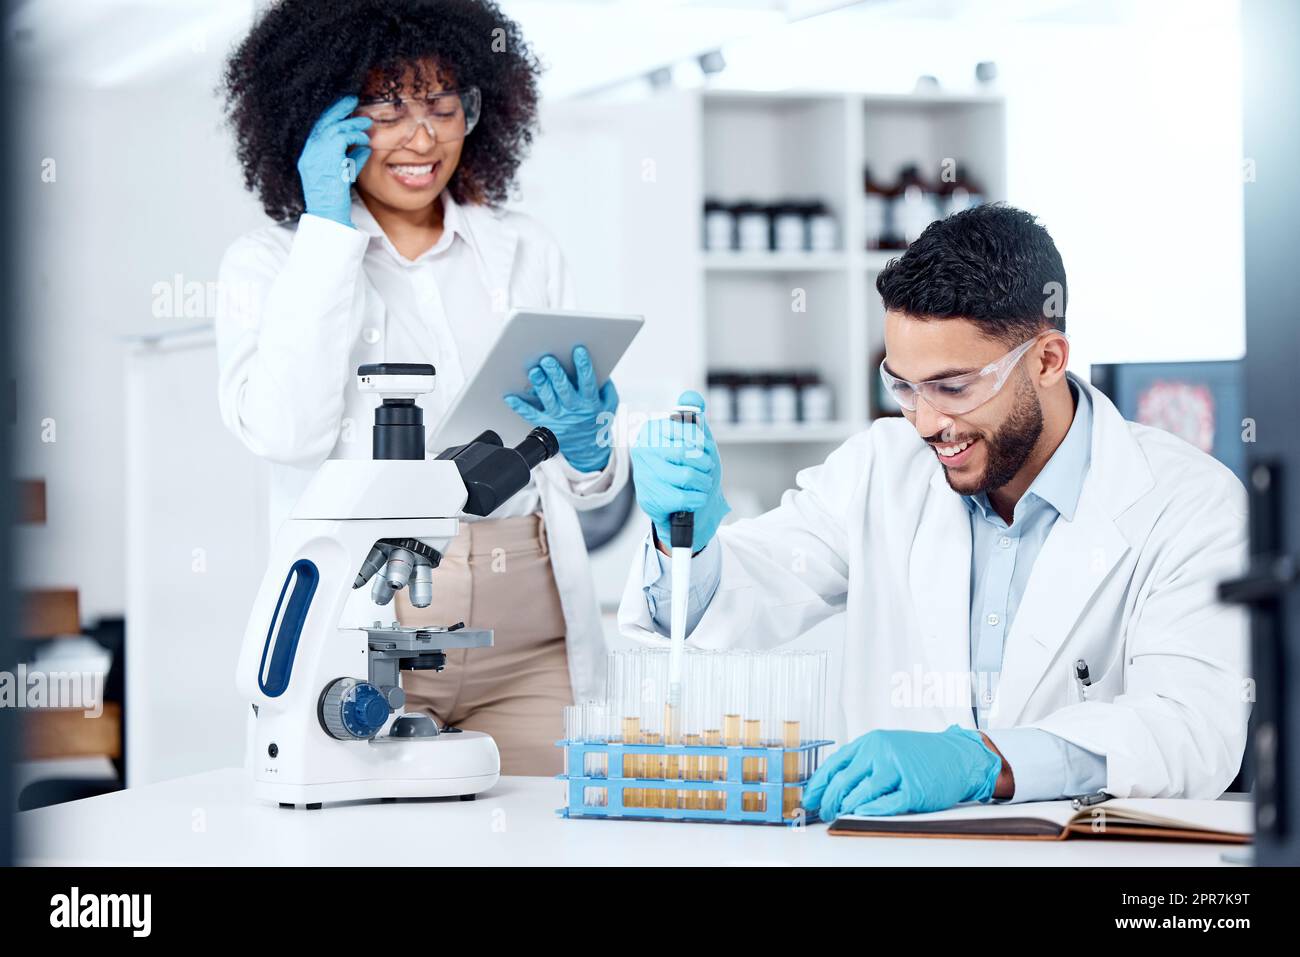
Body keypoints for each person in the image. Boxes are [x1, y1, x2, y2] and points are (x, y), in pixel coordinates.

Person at [620, 204, 1249, 819]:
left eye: (953, 387)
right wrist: (689, 540)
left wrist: (989, 761)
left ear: (1047, 360)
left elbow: (1191, 728)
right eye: (902, 386)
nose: (925, 423)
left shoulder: (1187, 503)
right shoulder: (879, 469)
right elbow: (744, 594)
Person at [216, 0, 625, 775]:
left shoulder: (525, 251)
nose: (424, 137)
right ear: (320, 115)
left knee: (553, 840)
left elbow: (585, 484)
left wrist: (590, 446)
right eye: (389, 109)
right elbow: (287, 432)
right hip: (370, 621)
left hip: (531, 637)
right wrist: (329, 237)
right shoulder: (269, 266)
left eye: (445, 106)